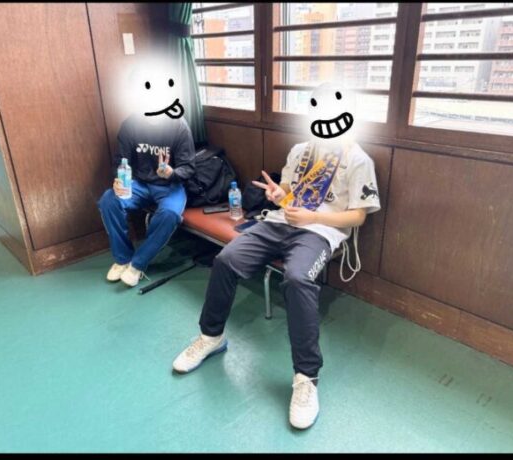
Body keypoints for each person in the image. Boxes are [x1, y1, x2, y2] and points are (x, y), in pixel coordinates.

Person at [172, 83, 381, 430]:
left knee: (297, 279)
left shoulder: (358, 159)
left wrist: (311, 217)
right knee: (225, 260)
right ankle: (211, 337)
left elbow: (358, 216)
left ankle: (306, 378)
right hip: (278, 223)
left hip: (320, 232)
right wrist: (277, 194)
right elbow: (288, 194)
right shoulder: (301, 150)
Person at [98, 64, 195, 287]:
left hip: (170, 186)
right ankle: (123, 259)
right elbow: (120, 161)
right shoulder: (130, 125)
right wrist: (118, 180)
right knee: (108, 200)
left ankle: (138, 264)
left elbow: (189, 167)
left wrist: (171, 172)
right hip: (139, 183)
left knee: (170, 214)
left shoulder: (178, 125)